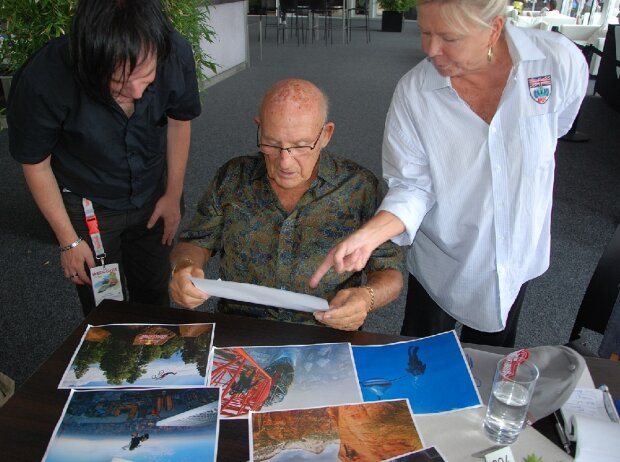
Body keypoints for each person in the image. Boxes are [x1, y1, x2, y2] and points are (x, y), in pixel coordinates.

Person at [310, 0, 588, 346]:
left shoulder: (557, 61)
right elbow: (412, 186)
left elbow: (557, 127)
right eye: (425, 31)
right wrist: (369, 235)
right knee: (420, 358)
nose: (430, 49)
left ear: (494, 29)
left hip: (516, 255)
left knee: (490, 360)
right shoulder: (415, 93)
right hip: (445, 256)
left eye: (449, 37)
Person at [7, 0, 201, 315]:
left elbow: (180, 122)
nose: (137, 93)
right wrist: (68, 241)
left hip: (153, 193)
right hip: (88, 206)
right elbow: (35, 164)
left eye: (147, 77)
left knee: (154, 290)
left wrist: (173, 193)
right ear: (90, 62)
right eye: (119, 84)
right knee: (103, 301)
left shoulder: (173, 50)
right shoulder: (44, 78)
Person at [169, 79, 403, 331]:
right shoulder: (233, 177)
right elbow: (195, 242)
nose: (285, 162)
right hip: (240, 326)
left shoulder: (359, 187)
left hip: (322, 333)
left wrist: (365, 298)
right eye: (272, 144)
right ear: (259, 128)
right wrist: (184, 269)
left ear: (326, 135)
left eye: (301, 146)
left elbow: (390, 273)